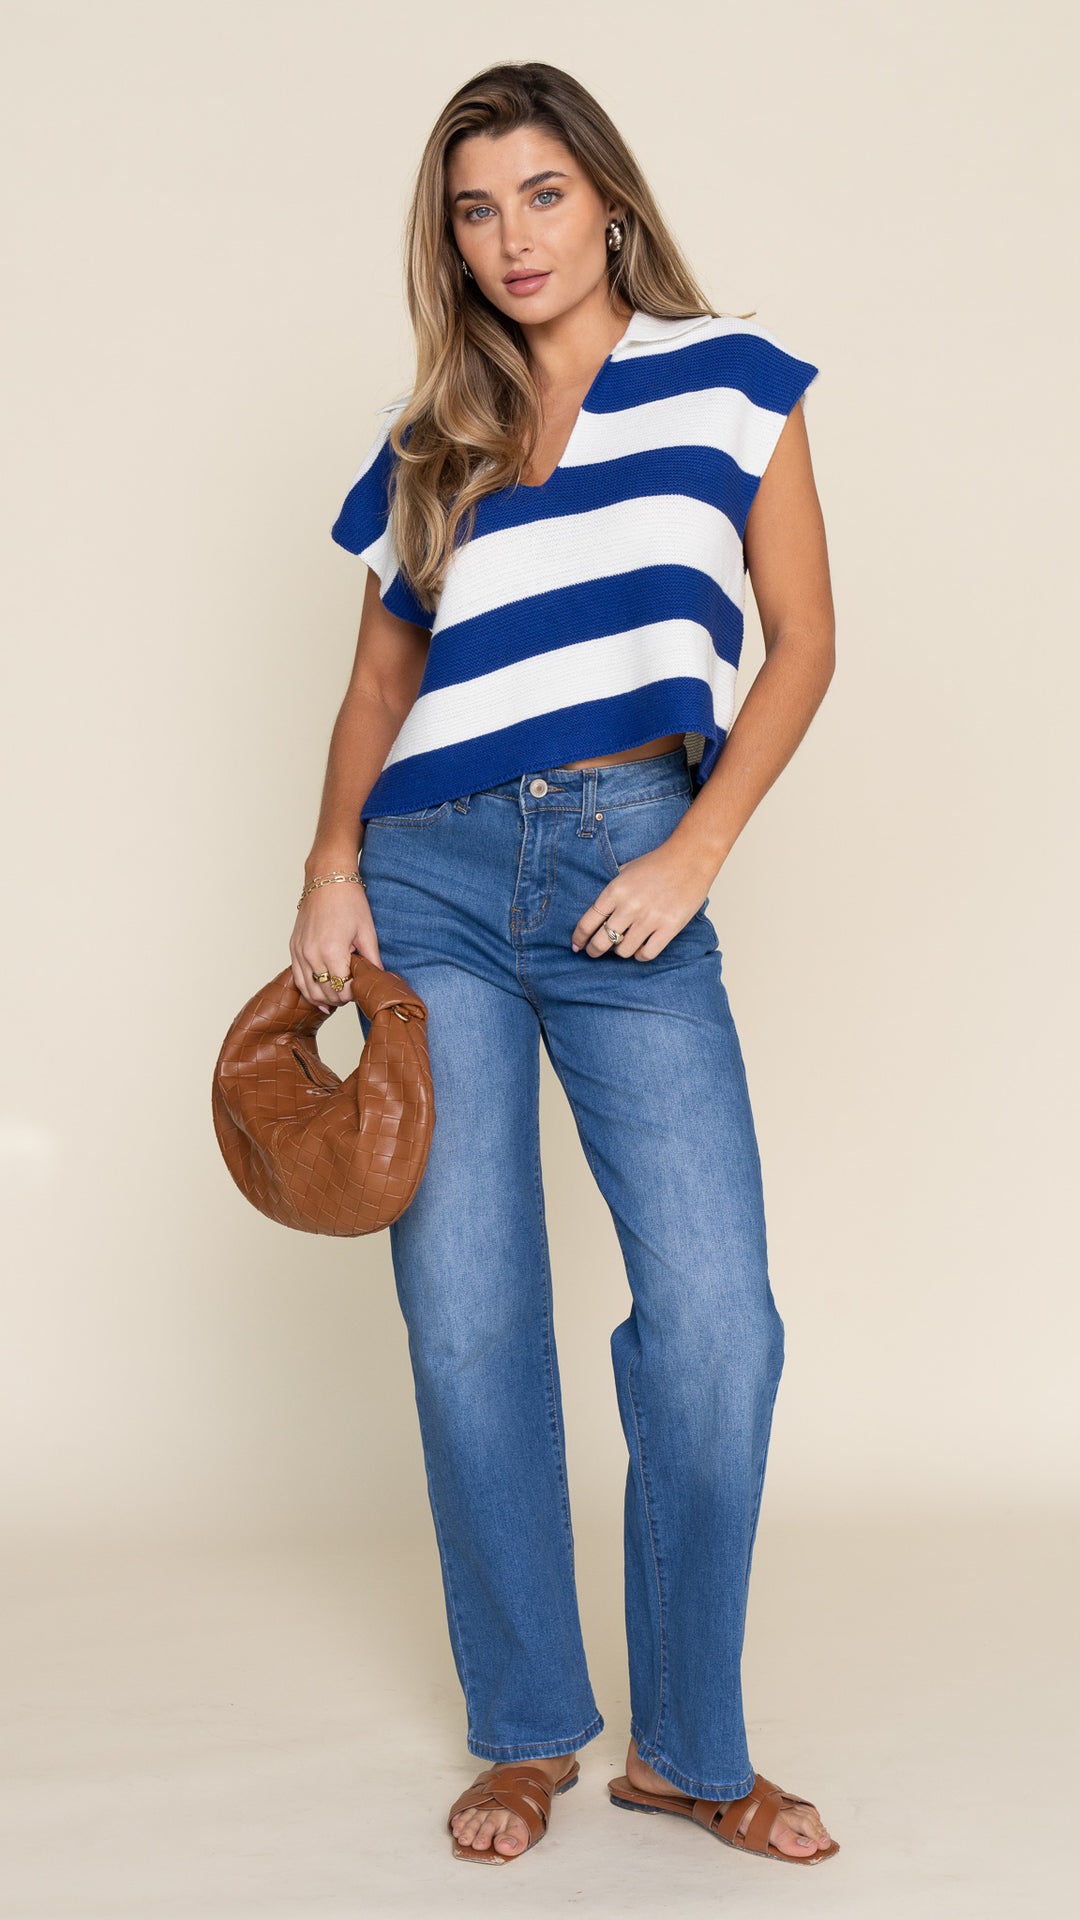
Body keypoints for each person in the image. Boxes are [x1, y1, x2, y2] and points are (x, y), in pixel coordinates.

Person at [291, 61, 838, 1869]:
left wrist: (695, 849)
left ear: (606, 199)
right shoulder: (434, 439)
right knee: (467, 1322)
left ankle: (688, 1748)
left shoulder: (731, 377)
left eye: (541, 193)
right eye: (476, 208)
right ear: (448, 239)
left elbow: (805, 641)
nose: (513, 236)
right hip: (431, 880)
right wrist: (329, 869)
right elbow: (378, 688)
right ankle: (529, 1729)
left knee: (718, 1322)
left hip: (630, 865)